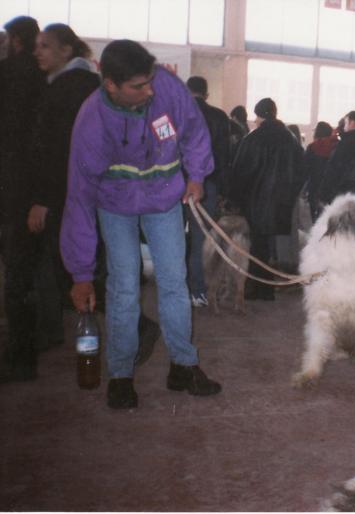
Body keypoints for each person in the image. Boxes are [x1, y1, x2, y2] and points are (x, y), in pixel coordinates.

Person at [60, 40, 222, 408]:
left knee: (173, 281)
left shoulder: (165, 86)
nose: (150, 89)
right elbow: (80, 201)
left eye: (150, 80)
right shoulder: (91, 122)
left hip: (164, 199)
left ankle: (183, 364)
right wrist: (81, 272)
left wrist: (196, 176)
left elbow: (195, 130)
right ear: (110, 84)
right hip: (115, 206)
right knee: (123, 286)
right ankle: (120, 374)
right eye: (139, 85)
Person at [26, 23, 99, 353]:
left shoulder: (66, 88)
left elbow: (57, 149)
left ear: (66, 50)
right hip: (84, 189)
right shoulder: (87, 84)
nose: (36, 52)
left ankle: (138, 327)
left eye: (45, 46)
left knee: (65, 263)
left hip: (65, 192)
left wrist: (43, 199)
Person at [0, 16, 46, 382]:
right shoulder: (46, 79)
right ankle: (24, 355)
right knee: (23, 276)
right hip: (30, 194)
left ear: (14, 39)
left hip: (8, 190)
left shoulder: (7, 74)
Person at [226, 97, 306, 302]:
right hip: (282, 203)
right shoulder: (290, 139)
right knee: (272, 246)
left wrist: (234, 198)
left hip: (257, 202)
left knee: (256, 245)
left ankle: (258, 287)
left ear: (258, 115)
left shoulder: (253, 139)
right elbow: (302, 171)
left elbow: (241, 172)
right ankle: (266, 286)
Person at [185, 75, 231, 307]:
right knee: (200, 240)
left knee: (172, 239)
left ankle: (176, 288)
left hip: (174, 186)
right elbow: (224, 156)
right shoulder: (220, 118)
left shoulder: (176, 113)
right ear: (207, 93)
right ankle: (198, 291)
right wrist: (221, 189)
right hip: (207, 186)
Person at [317, 110, 355, 206]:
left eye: (345, 122)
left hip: (340, 191)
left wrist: (324, 193)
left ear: (352, 123)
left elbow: (334, 168)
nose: (343, 127)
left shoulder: (347, 142)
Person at [304, 121, 337, 222]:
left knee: (314, 217)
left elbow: (305, 168)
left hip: (314, 185)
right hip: (331, 187)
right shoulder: (336, 146)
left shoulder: (312, 147)